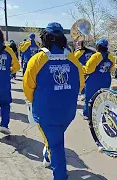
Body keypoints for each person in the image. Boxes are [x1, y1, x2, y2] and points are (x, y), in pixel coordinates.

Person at [23, 22, 84, 180]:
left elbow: (28, 86)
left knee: (56, 145)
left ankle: (60, 175)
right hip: (68, 111)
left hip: (46, 113)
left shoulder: (38, 59)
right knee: (55, 137)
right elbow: (80, 83)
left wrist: (33, 102)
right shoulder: (72, 58)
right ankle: (49, 156)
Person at [82, 38, 115, 119]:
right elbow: (111, 69)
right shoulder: (111, 56)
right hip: (106, 80)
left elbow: (88, 70)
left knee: (89, 98)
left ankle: (88, 114)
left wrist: (81, 67)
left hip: (93, 81)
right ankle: (101, 113)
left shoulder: (96, 56)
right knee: (102, 98)